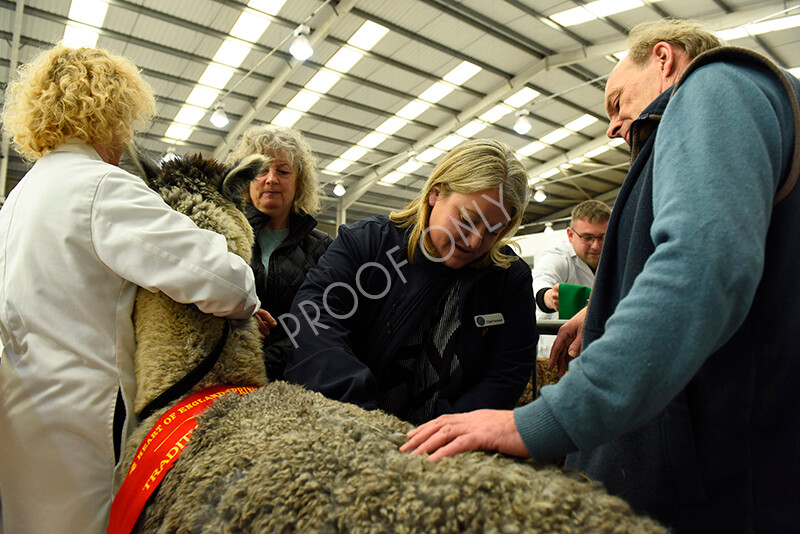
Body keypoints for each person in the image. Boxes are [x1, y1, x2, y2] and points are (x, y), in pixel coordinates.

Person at [401, 18, 800, 531]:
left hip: (701, 480)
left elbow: (702, 265)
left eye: (615, 103)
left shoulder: (715, 84)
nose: (612, 127)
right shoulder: (762, 115)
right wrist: (604, 307)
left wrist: (545, 420)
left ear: (664, 59)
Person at [0, 44, 275, 533]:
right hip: (84, 419)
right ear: (110, 113)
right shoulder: (100, 187)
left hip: (23, 408)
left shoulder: (20, 195)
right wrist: (249, 300)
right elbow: (220, 279)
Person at [283, 139, 537, 425]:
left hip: (450, 444)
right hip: (351, 423)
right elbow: (314, 319)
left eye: (494, 231)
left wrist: (451, 429)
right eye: (466, 220)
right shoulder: (369, 244)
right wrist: (360, 412)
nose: (476, 240)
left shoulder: (508, 278)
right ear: (435, 193)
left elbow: (507, 371)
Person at [226, 125, 333, 380]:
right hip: (229, 374)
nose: (271, 179)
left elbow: (325, 319)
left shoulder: (323, 247)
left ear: (299, 183)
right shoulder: (223, 238)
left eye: (283, 171)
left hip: (298, 376)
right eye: (261, 170)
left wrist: (269, 362)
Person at [532, 199, 610, 321]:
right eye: (587, 237)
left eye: (603, 237)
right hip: (557, 337)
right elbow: (540, 280)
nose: (596, 245)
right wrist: (548, 297)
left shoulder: (616, 256)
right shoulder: (558, 256)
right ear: (570, 235)